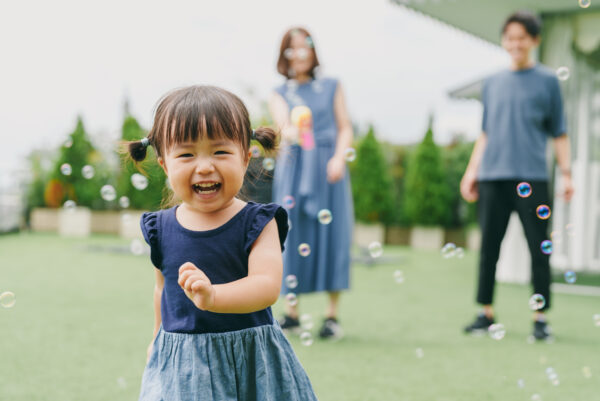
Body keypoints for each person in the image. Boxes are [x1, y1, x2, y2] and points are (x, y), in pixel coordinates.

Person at [128, 85, 318, 400]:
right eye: (187, 154)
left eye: (220, 151)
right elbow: (163, 290)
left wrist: (214, 296)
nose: (204, 166)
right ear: (164, 164)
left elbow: (266, 286)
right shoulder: (160, 228)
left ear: (245, 158)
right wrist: (156, 336)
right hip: (184, 368)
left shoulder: (258, 223)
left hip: (249, 363)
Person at [460, 11, 574, 340]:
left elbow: (560, 133)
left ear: (534, 41)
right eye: (510, 37)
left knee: (539, 249)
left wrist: (566, 174)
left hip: (532, 177)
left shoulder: (549, 81)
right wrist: (472, 171)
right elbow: (485, 133)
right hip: (493, 176)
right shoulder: (492, 83)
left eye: (522, 37)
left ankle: (540, 318)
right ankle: (485, 313)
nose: (515, 43)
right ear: (503, 41)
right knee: (489, 249)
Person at [268, 27, 354, 339]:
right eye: (292, 48)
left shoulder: (333, 85)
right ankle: (292, 313)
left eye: (304, 46)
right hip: (294, 169)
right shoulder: (280, 92)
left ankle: (331, 316)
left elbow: (345, 127)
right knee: (293, 234)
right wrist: (298, 131)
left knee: (333, 235)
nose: (299, 53)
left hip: (329, 168)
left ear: (313, 51)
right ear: (284, 54)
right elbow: (283, 129)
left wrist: (339, 158)